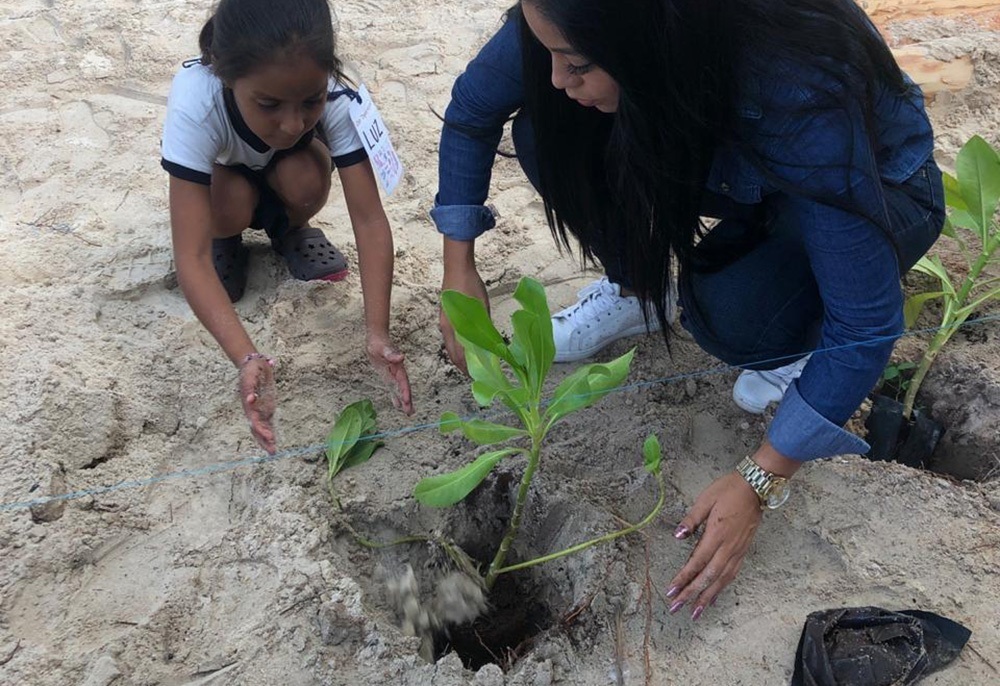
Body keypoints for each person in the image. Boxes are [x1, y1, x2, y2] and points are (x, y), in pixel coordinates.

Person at [433, 0, 944, 620]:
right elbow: (470, 112)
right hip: (729, 155)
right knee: (546, 130)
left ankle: (797, 337)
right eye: (549, 55)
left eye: (577, 64)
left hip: (872, 189)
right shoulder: (569, 16)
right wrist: (458, 269)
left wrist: (763, 477)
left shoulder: (797, 77)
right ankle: (637, 290)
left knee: (728, 319)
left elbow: (867, 322)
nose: (556, 78)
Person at [162, 0, 413, 454]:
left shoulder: (338, 94)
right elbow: (191, 256)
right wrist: (247, 356)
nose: (294, 122)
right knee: (227, 204)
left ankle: (291, 230)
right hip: (224, 182)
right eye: (269, 104)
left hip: (291, 174)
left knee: (305, 180)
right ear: (225, 75)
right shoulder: (196, 99)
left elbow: (369, 218)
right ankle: (230, 237)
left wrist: (378, 332)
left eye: (310, 101)